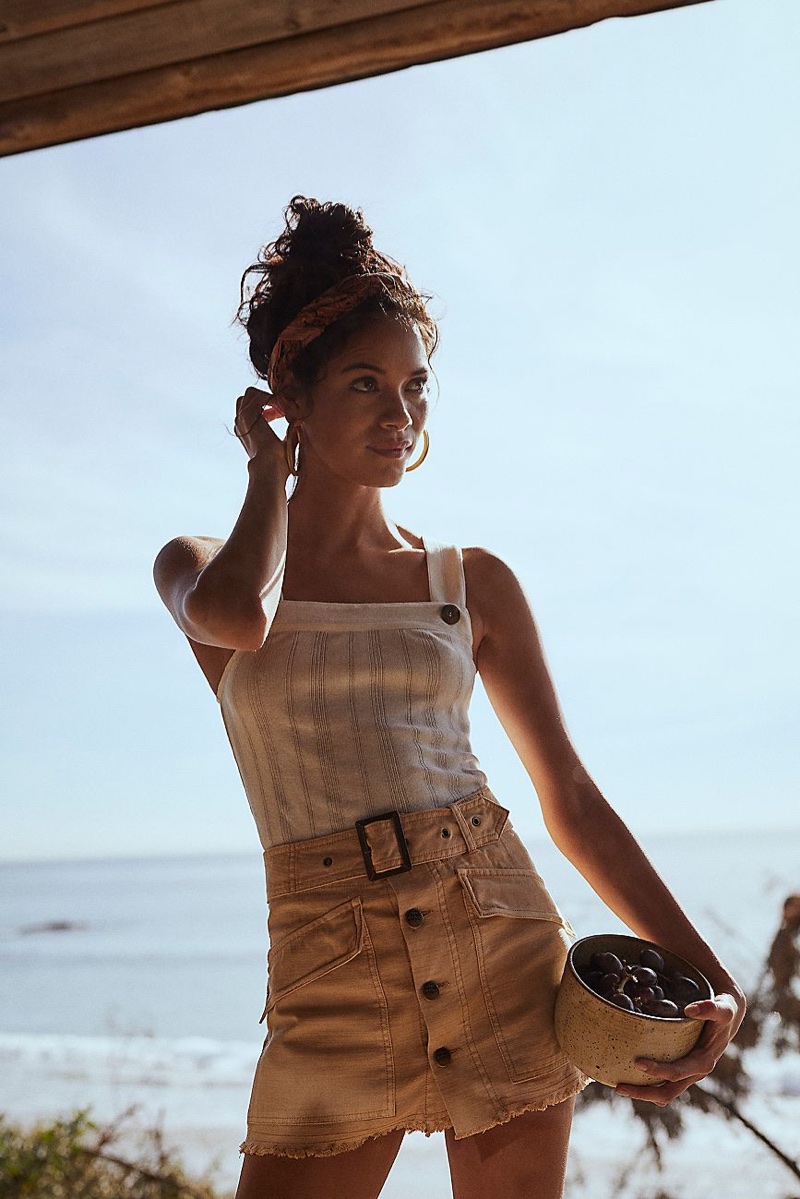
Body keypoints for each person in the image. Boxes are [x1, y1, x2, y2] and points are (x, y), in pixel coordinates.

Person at [153, 196, 746, 1199]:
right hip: (325, 966)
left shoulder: (468, 581)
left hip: (500, 941)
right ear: (286, 396)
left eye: (414, 386)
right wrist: (266, 470)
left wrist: (705, 974)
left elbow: (569, 798)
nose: (401, 414)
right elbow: (240, 622)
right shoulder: (204, 564)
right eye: (364, 383)